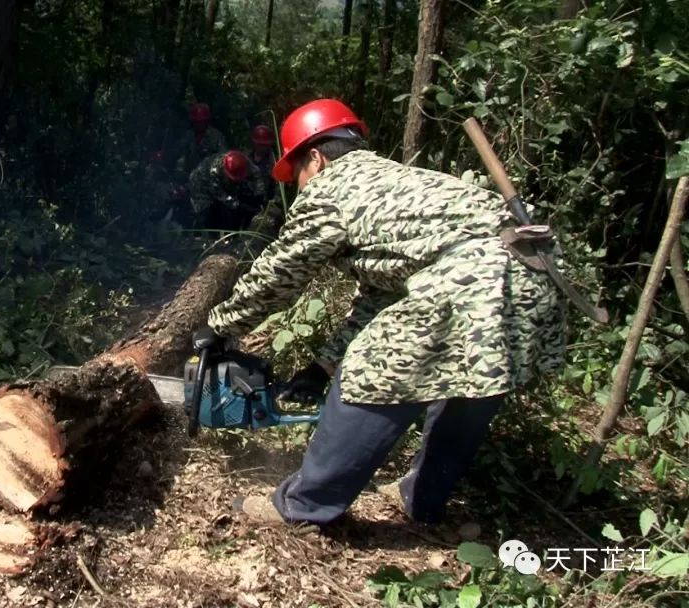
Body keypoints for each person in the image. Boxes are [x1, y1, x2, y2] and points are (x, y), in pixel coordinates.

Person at [198, 98, 567, 529]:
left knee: (371, 369)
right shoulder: (396, 180)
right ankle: (422, 499)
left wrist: (220, 325)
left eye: (297, 174)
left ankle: (303, 507)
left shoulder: (334, 187)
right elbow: (379, 298)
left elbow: (281, 271)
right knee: (470, 384)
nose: (299, 187)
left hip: (471, 274)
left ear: (315, 158)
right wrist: (322, 366)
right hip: (535, 271)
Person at [188, 150, 267, 232]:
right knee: (208, 215)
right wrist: (241, 207)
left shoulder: (243, 162)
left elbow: (256, 175)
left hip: (223, 181)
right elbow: (223, 197)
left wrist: (260, 194)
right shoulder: (214, 172)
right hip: (201, 185)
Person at [175, 102, 228, 176]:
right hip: (190, 175)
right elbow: (182, 153)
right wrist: (180, 172)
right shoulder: (189, 135)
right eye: (197, 122)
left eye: (202, 121)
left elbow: (223, 158)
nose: (199, 124)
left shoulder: (216, 136)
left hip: (209, 177)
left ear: (207, 121)